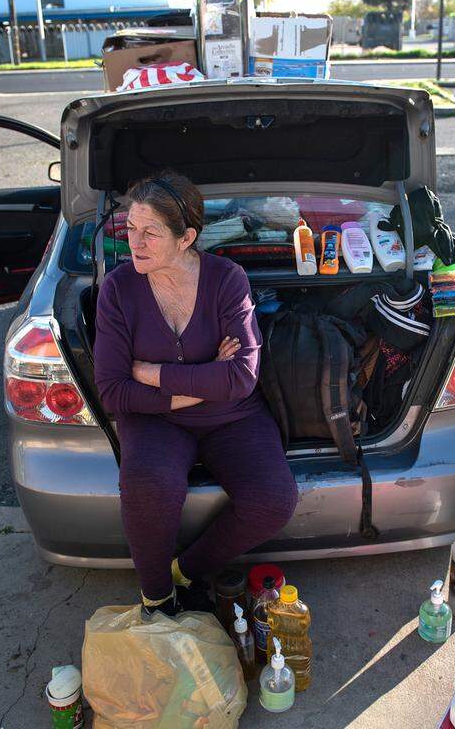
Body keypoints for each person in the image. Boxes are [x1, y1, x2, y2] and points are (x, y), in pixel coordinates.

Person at [93, 170, 298, 617]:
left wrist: (151, 373)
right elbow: (112, 391)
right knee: (148, 484)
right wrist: (200, 384)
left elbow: (242, 377)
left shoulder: (227, 279)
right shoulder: (118, 289)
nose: (135, 242)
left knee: (275, 501)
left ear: (186, 237)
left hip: (234, 416)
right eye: (129, 228)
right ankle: (157, 596)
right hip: (155, 421)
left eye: (150, 232)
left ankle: (184, 571)